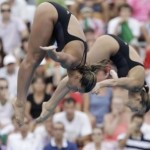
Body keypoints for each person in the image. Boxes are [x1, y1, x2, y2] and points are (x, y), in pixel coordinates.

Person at [36, 34, 148, 123]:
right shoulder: (137, 85)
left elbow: (117, 77)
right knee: (78, 75)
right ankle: (50, 105)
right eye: (137, 109)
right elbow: (115, 82)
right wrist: (99, 84)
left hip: (112, 47)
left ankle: (50, 104)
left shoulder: (136, 86)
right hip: (109, 45)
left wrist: (111, 79)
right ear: (139, 99)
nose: (133, 111)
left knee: (78, 74)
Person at [13, 1, 88, 126]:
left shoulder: (81, 69)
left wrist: (50, 106)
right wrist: (53, 54)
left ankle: (48, 105)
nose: (74, 91)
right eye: (77, 88)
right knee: (33, 59)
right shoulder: (72, 61)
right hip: (50, 12)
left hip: (59, 22)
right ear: (78, 76)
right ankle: (19, 102)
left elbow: (67, 84)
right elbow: (62, 57)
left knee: (36, 60)